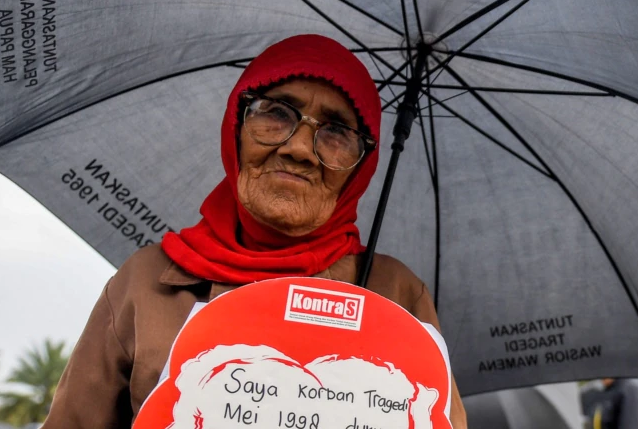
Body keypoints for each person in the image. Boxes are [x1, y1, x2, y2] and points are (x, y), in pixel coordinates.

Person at [42, 34, 467, 428]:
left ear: (362, 166)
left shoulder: (394, 294)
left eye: (337, 132)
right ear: (237, 126)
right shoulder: (145, 282)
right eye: (277, 114)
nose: (299, 148)